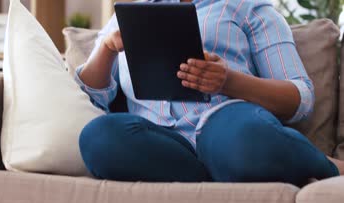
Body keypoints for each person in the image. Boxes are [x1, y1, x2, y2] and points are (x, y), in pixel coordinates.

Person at [75, 0, 344, 187]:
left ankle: (325, 166)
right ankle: (229, 170)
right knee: (97, 137)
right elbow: (92, 95)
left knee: (246, 143)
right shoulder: (126, 16)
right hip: (158, 141)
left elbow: (301, 97)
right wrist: (107, 49)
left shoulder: (248, 8)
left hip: (225, 125)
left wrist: (228, 81)